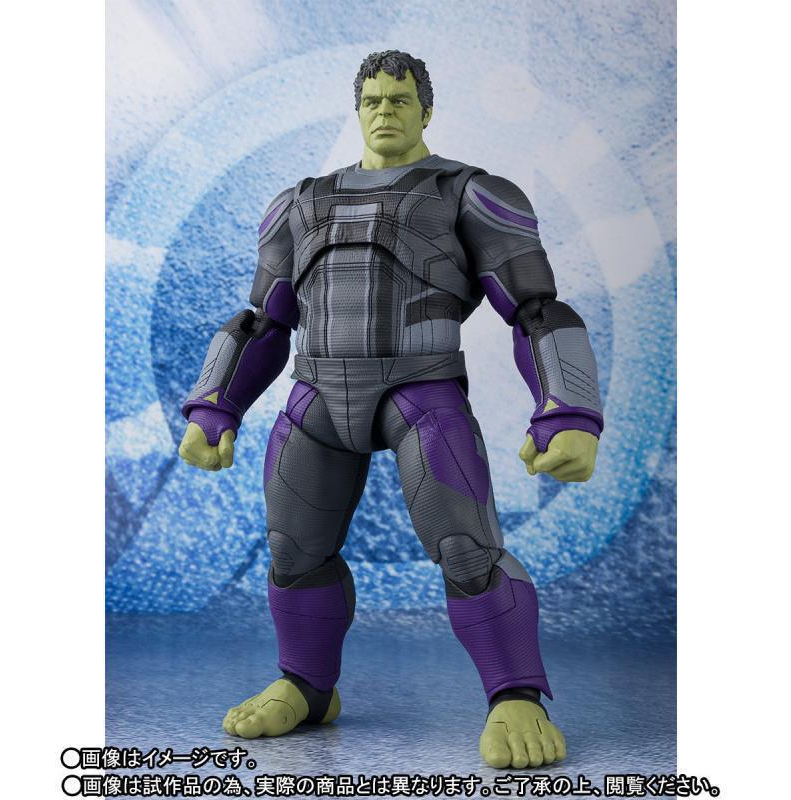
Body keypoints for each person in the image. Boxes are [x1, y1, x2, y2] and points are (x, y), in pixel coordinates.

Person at [178, 50, 603, 769]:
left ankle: (516, 695)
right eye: (372, 99)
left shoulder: (471, 193)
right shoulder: (299, 202)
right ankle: (307, 686)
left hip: (420, 393)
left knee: (466, 546)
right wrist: (215, 405)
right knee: (293, 550)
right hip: (316, 398)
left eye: (400, 100)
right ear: (357, 108)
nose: (385, 111)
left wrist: (568, 411)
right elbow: (262, 321)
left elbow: (535, 309)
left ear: (426, 109)